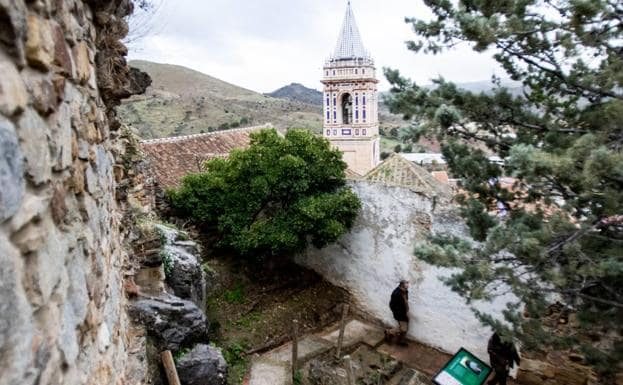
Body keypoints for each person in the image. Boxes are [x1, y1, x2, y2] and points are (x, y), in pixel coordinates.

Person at [388, 280, 410, 346]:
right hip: (399, 314)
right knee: (404, 329)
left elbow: (406, 300)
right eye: (406, 285)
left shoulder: (405, 291)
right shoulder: (396, 293)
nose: (408, 286)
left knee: (403, 327)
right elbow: (391, 305)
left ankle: (400, 340)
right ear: (401, 286)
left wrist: (406, 310)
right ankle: (390, 332)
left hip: (404, 312)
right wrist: (398, 313)